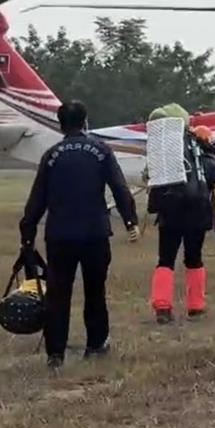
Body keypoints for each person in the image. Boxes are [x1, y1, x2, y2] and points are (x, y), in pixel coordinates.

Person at [19, 101, 140, 369]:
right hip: (94, 233)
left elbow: (37, 197)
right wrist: (131, 220)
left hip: (59, 235)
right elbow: (120, 188)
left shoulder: (51, 155)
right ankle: (95, 345)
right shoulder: (101, 151)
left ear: (61, 124)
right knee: (95, 292)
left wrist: (27, 232)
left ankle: (55, 353)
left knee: (58, 295)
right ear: (85, 121)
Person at [148, 123, 215, 324]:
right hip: (197, 215)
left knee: (165, 259)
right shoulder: (207, 160)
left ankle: (162, 306)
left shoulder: (172, 157)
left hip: (170, 214)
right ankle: (195, 306)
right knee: (194, 259)